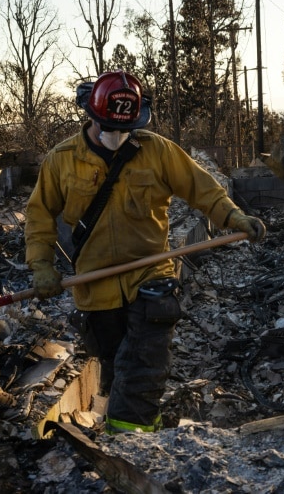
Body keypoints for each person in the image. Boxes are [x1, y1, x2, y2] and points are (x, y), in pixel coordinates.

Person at [24, 70, 266, 434]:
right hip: (97, 290)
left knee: (142, 366)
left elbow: (202, 188)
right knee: (118, 369)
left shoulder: (157, 151)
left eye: (125, 129)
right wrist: (41, 266)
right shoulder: (62, 161)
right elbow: (39, 215)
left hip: (151, 279)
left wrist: (233, 216)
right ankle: (146, 431)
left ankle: (127, 445)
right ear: (91, 115)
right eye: (110, 127)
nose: (117, 136)